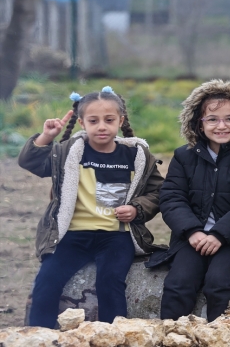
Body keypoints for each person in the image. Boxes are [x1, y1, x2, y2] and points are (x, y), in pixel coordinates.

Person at [18, 86, 164, 328]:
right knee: (47, 280)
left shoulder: (136, 155)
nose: (102, 127)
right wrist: (46, 137)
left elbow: (158, 192)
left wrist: (137, 208)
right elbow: (30, 161)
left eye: (109, 120)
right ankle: (38, 336)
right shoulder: (67, 152)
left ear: (121, 121)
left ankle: (111, 336)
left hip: (115, 236)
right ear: (82, 123)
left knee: (110, 281)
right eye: (93, 120)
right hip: (72, 235)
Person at [146, 80, 230, 321]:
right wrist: (192, 232)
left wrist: (220, 234)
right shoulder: (183, 156)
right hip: (193, 237)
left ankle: (219, 337)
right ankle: (171, 335)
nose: (221, 126)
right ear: (198, 123)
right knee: (179, 282)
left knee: (220, 283)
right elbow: (171, 198)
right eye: (212, 119)